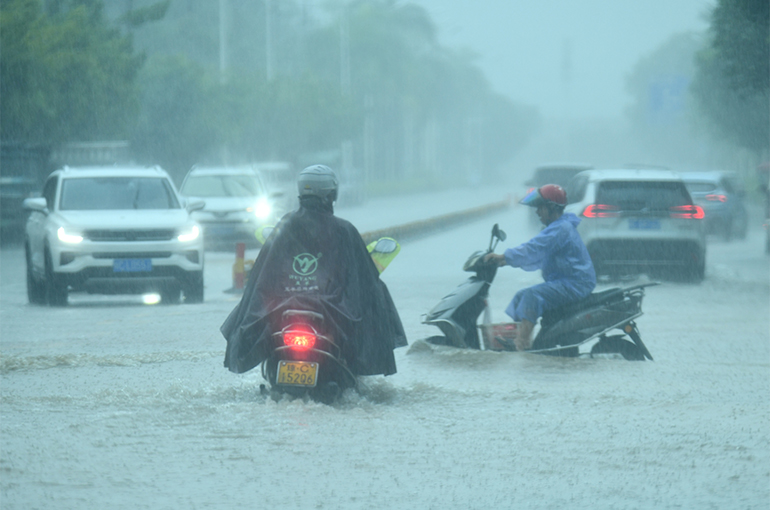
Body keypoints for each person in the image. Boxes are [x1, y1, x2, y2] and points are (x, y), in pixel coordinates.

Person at [220, 164, 407, 375]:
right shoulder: (344, 231)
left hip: (282, 311)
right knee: (376, 291)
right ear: (332, 194)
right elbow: (364, 280)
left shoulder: (285, 226)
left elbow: (262, 278)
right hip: (332, 314)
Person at [484, 184, 596, 351]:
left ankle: (521, 343)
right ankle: (519, 336)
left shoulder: (560, 229)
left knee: (532, 295)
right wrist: (505, 261)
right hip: (567, 282)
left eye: (540, 208)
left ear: (552, 208)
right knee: (521, 296)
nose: (537, 212)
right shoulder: (557, 227)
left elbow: (533, 249)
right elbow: (538, 256)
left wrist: (504, 256)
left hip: (575, 283)